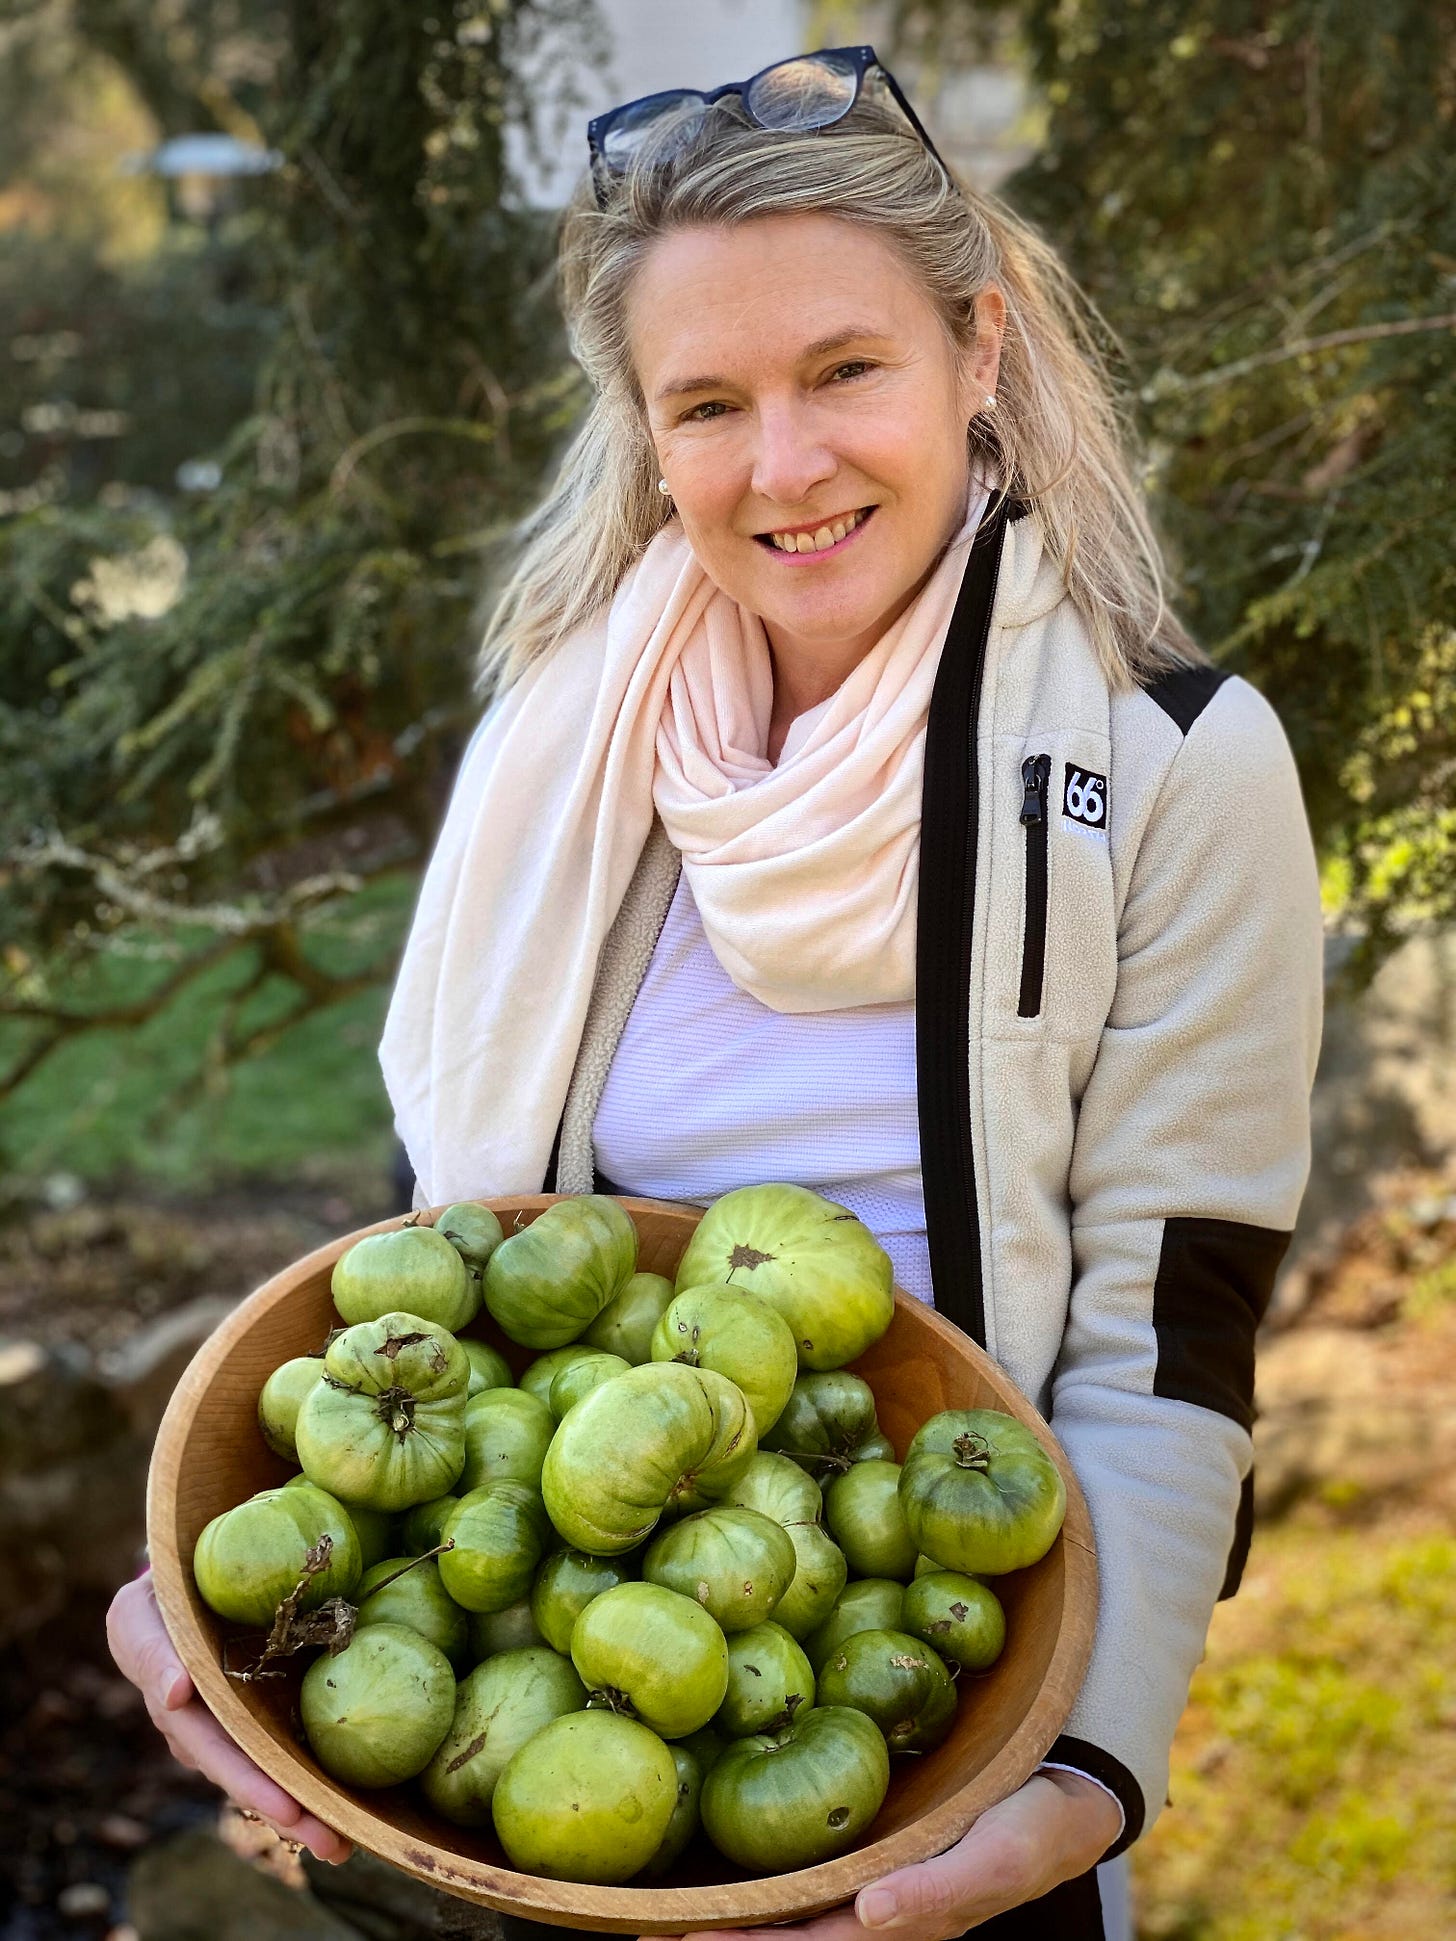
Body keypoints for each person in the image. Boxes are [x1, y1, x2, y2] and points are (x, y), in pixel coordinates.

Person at [107, 45, 1323, 1941]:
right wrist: (199, 1573)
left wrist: (1084, 1772)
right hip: (545, 1693)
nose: (783, 467)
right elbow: (456, 1254)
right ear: (643, 428)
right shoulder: (574, 750)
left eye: (847, 370)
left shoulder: (1175, 765)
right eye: (708, 403)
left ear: (979, 350)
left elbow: (1175, 1340)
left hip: (927, 1709)